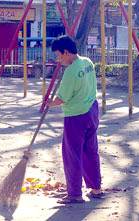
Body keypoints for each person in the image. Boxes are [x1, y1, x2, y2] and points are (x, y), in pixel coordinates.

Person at [46, 35, 104, 204]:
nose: (58, 59)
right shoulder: (88, 62)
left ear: (66, 52)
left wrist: (49, 103)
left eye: (58, 55)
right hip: (92, 112)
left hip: (76, 116)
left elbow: (61, 99)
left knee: (72, 156)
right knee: (91, 151)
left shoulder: (71, 71)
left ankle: (75, 193)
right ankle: (96, 189)